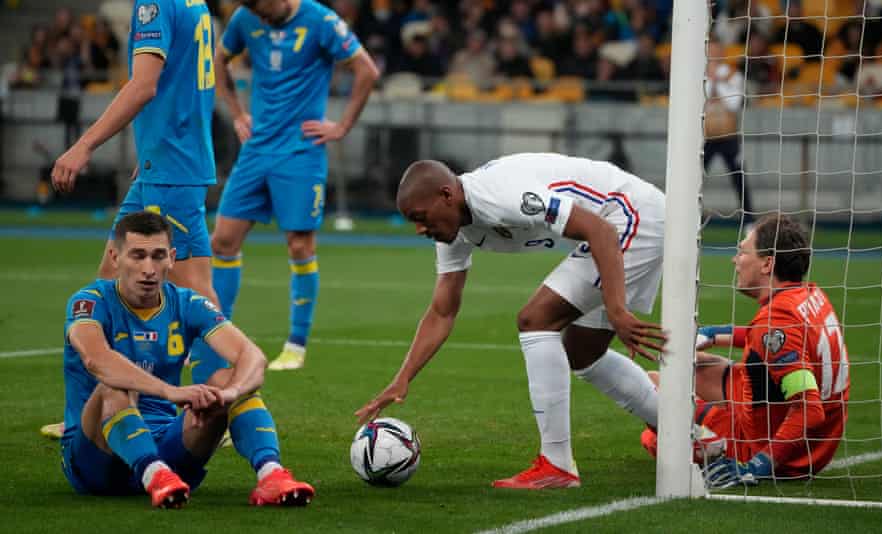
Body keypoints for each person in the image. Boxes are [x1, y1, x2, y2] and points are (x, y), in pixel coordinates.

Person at [355, 153, 667, 489]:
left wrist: (617, 309)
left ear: (446, 195)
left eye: (420, 217)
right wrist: (403, 379)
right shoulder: (453, 229)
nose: (419, 229)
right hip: (625, 221)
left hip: (632, 216)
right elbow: (442, 312)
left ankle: (557, 465)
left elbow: (600, 230)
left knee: (536, 319)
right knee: (582, 352)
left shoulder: (502, 195)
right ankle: (691, 433)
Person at [44, 0, 225, 439]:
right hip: (164, 165)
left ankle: (224, 409)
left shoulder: (154, 3)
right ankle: (91, 413)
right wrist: (151, 153)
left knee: (196, 296)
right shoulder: (194, 3)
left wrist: (84, 146)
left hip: (171, 169)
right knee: (110, 277)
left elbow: (144, 86)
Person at [61, 211, 314, 508]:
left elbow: (252, 356)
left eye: (157, 256)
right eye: (137, 256)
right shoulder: (90, 301)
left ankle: (271, 475)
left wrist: (229, 395)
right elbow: (97, 360)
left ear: (171, 258)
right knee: (113, 387)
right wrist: (170, 391)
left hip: (170, 452)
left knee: (225, 380)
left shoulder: (186, 302)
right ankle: (153, 474)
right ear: (115, 258)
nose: (148, 269)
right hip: (97, 460)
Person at [210, 0, 379, 372]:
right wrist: (237, 114)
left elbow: (366, 69)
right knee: (222, 240)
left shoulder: (319, 20)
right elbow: (218, 60)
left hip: (301, 151)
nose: (258, 14)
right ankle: (216, 339)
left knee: (300, 243)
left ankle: (296, 346)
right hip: (257, 149)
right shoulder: (245, 19)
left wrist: (342, 127)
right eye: (251, 8)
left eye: (261, 5)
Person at [642, 214, 849, 488]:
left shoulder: (775, 321)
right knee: (683, 363)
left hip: (773, 444)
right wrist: (713, 334)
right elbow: (772, 339)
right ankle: (701, 423)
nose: (734, 260)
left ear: (767, 263)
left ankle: (711, 442)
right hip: (791, 426)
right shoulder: (809, 295)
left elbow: (809, 409)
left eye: (742, 251)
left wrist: (758, 464)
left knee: (650, 399)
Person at [704, 40, 753, 226]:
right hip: (706, 137)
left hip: (729, 137)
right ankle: (689, 217)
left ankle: (749, 221)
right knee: (695, 179)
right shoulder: (699, 74)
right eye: (710, 50)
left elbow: (734, 104)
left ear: (722, 52)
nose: (713, 54)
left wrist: (717, 82)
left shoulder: (734, 75)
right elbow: (700, 99)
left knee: (739, 178)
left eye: (716, 50)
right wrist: (712, 83)